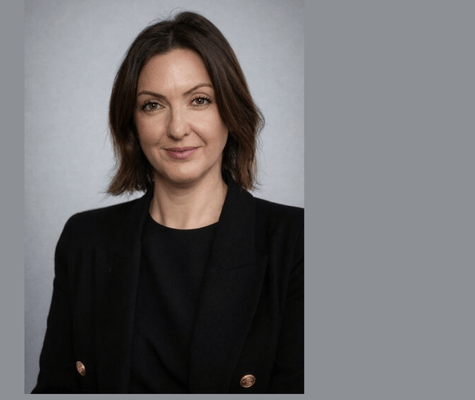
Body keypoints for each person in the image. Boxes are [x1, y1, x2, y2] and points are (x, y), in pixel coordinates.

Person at [31, 11, 303, 394]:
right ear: (131, 123)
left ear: (231, 111)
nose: (177, 128)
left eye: (199, 100)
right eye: (152, 105)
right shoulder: (84, 240)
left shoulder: (296, 242)